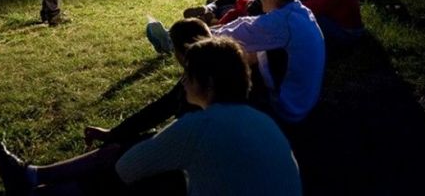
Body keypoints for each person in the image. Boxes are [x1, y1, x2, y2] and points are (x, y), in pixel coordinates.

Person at [0, 19, 212, 195]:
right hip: (184, 152)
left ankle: (37, 187)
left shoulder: (203, 89)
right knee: (116, 152)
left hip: (190, 168)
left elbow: (165, 115)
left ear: (182, 52)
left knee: (120, 170)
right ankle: (32, 176)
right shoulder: (201, 75)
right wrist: (113, 133)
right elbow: (159, 110)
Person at [116, 37, 302, 195]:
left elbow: (126, 168)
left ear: (209, 82)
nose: (184, 80)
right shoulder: (263, 120)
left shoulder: (200, 126)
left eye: (188, 72)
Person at [213, 0, 325, 124]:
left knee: (229, 56)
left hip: (287, 107)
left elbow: (238, 33)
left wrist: (200, 32)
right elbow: (251, 24)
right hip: (303, 98)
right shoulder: (298, 11)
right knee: (248, 50)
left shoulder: (281, 23)